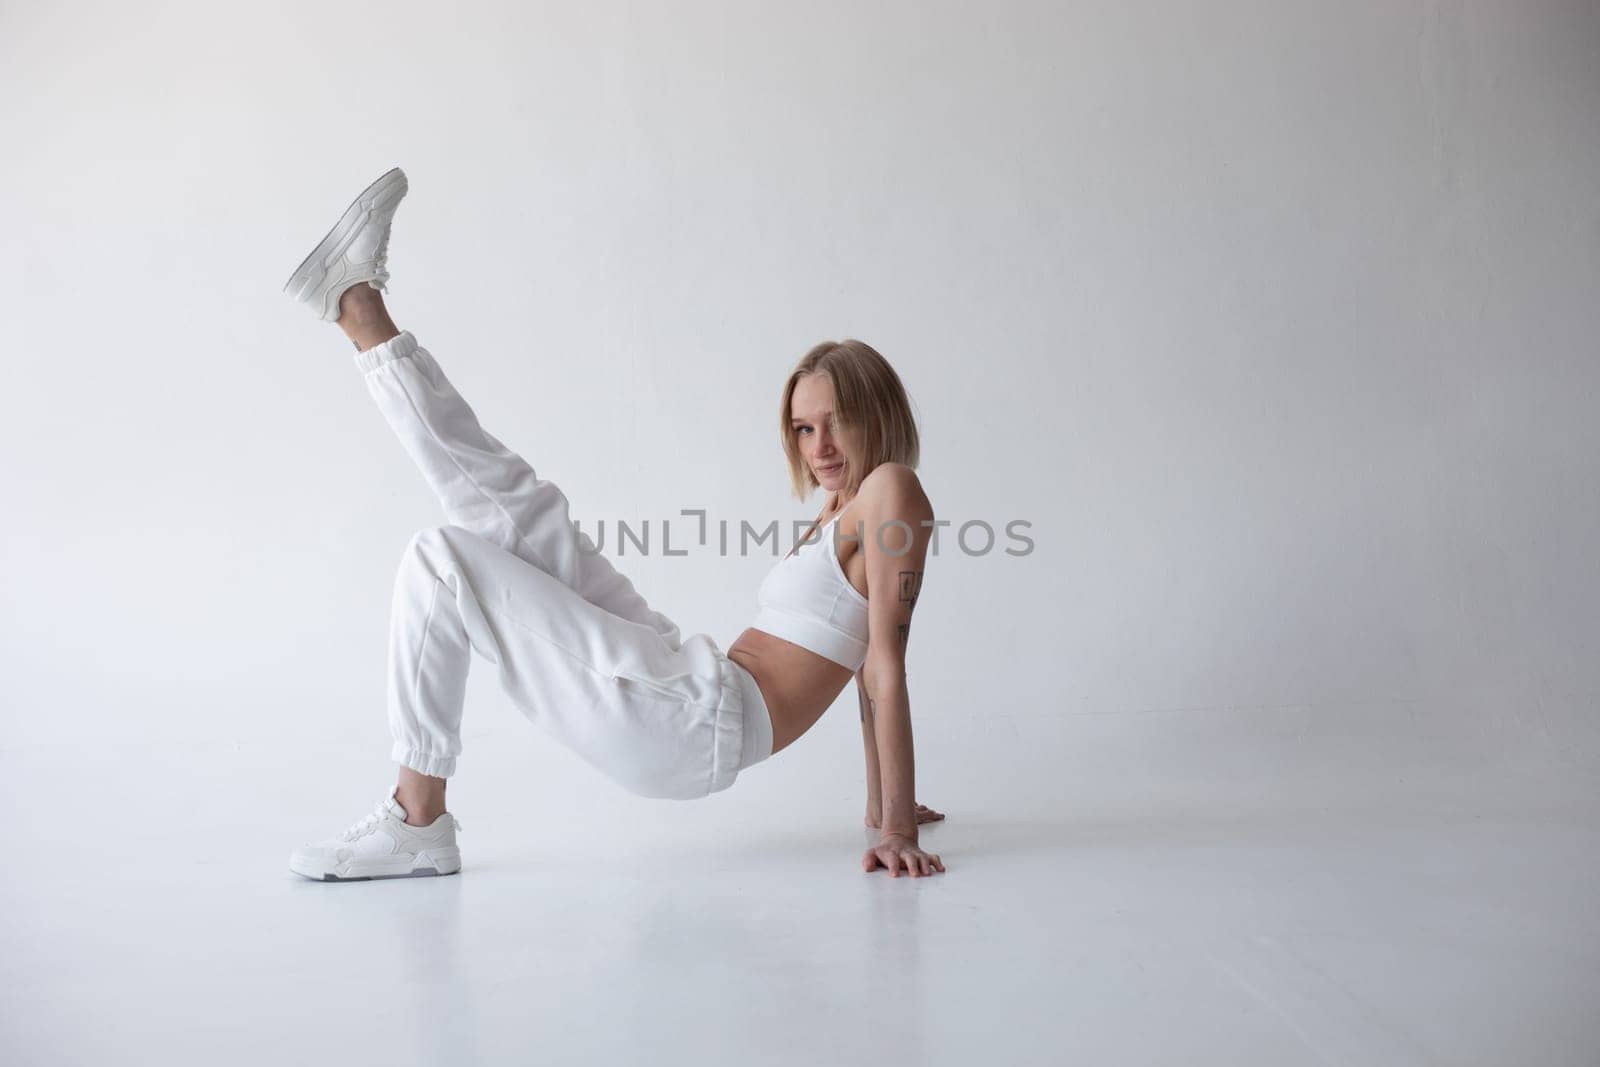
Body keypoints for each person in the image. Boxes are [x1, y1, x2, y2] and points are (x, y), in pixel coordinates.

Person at [284, 168, 945, 881]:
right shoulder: (842, 511)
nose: (817, 447)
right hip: (689, 675)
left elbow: (882, 664)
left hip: (693, 720)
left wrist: (897, 822)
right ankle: (361, 311)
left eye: (834, 423)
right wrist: (883, 810)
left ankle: (417, 820)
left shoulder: (891, 489)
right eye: (802, 428)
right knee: (521, 510)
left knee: (441, 560)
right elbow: (855, 668)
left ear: (874, 413)